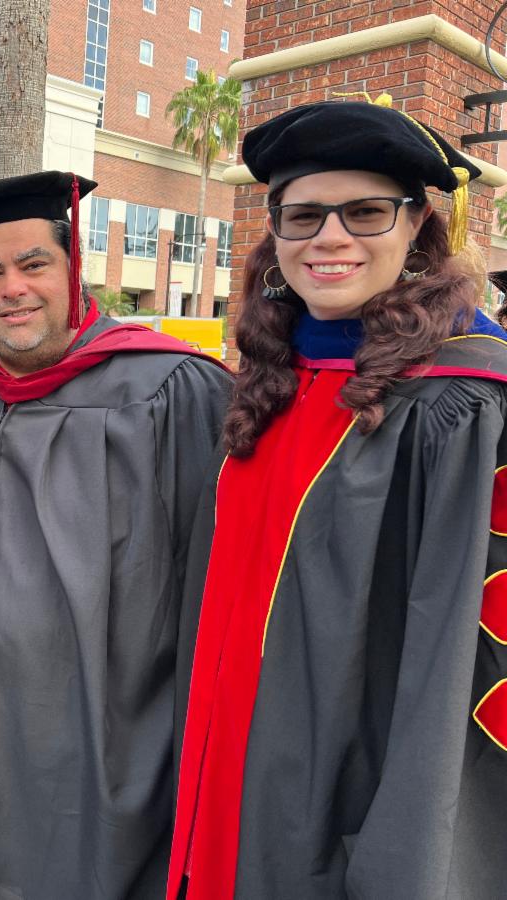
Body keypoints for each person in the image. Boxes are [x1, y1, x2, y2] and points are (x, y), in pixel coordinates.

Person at [167, 95, 507, 900]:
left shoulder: (461, 404)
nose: (330, 238)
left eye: (364, 213)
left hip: (349, 805)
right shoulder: (271, 381)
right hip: (221, 780)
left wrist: (410, 853)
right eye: (304, 215)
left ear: (418, 228)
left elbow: (462, 655)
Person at [0, 171, 232, 899]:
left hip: (103, 751)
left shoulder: (167, 393)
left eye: (34, 265)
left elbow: (210, 594)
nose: (11, 289)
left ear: (74, 267)